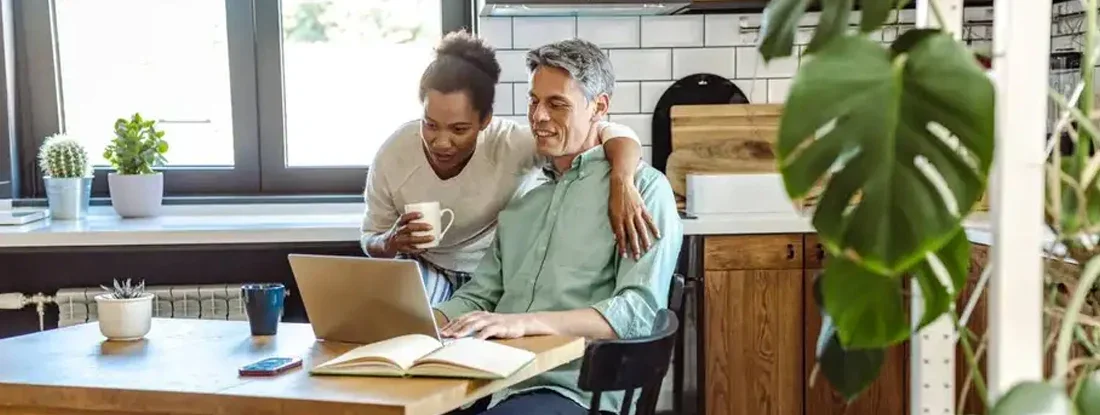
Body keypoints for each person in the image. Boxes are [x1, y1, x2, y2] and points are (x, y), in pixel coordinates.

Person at [432, 38, 683, 415]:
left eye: (557, 104)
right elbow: (480, 295)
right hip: (493, 383)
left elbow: (636, 313)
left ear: (599, 107)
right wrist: (420, 322)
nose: (538, 116)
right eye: (534, 101)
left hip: (576, 392)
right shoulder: (524, 200)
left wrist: (524, 323)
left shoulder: (642, 191)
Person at [360, 31, 659, 306]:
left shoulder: (513, 144)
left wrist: (623, 181)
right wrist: (390, 241)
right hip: (428, 267)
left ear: (485, 120)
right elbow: (370, 238)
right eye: (430, 125)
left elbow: (612, 132)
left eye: (459, 129)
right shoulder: (394, 155)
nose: (441, 143)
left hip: (490, 276)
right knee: (404, 328)